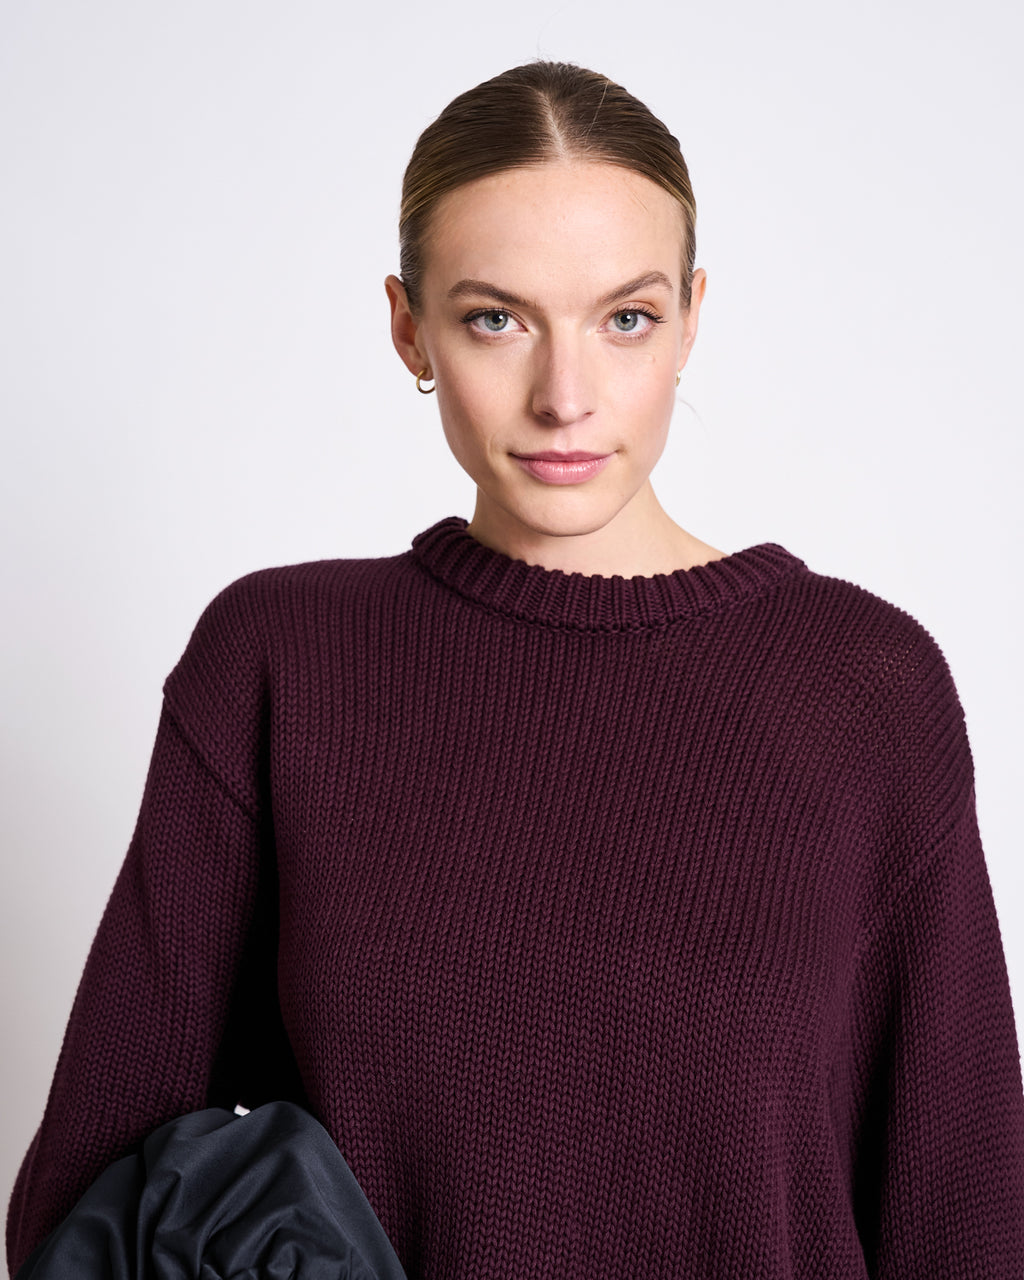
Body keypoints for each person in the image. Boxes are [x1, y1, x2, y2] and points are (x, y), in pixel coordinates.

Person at [7, 60, 1024, 1279]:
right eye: (497, 317)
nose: (565, 395)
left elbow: (964, 1226)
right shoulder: (280, 664)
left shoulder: (864, 686)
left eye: (625, 318)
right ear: (408, 326)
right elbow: (89, 1207)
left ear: (692, 317)